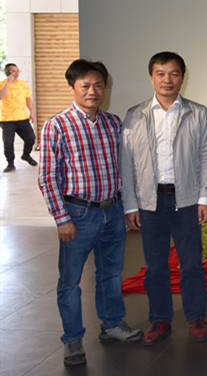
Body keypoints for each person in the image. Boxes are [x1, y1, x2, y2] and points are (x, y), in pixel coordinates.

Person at [38, 59, 143, 367]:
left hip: (113, 211)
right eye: (85, 86)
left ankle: (112, 325)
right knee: (70, 281)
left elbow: (125, 169)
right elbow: (47, 177)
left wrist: (127, 207)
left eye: (98, 85)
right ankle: (72, 339)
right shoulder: (57, 125)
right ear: (73, 88)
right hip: (78, 215)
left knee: (110, 273)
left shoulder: (113, 123)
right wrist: (62, 219)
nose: (92, 91)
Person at [120, 52, 207, 346]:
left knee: (192, 263)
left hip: (186, 200)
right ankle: (160, 318)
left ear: (182, 77)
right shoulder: (135, 115)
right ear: (151, 78)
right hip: (150, 202)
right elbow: (126, 164)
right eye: (160, 73)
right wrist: (130, 205)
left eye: (173, 73)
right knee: (155, 265)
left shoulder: (197, 113)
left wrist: (204, 198)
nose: (167, 80)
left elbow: (206, 157)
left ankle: (196, 316)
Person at [1, 63, 38, 172]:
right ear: (7, 72)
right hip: (7, 119)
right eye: (13, 71)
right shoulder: (2, 84)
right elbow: (1, 96)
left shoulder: (23, 84)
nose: (16, 73)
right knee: (8, 143)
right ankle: (10, 163)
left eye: (17, 71)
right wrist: (8, 82)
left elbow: (28, 99)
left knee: (31, 138)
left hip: (22, 117)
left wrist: (32, 112)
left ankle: (26, 155)